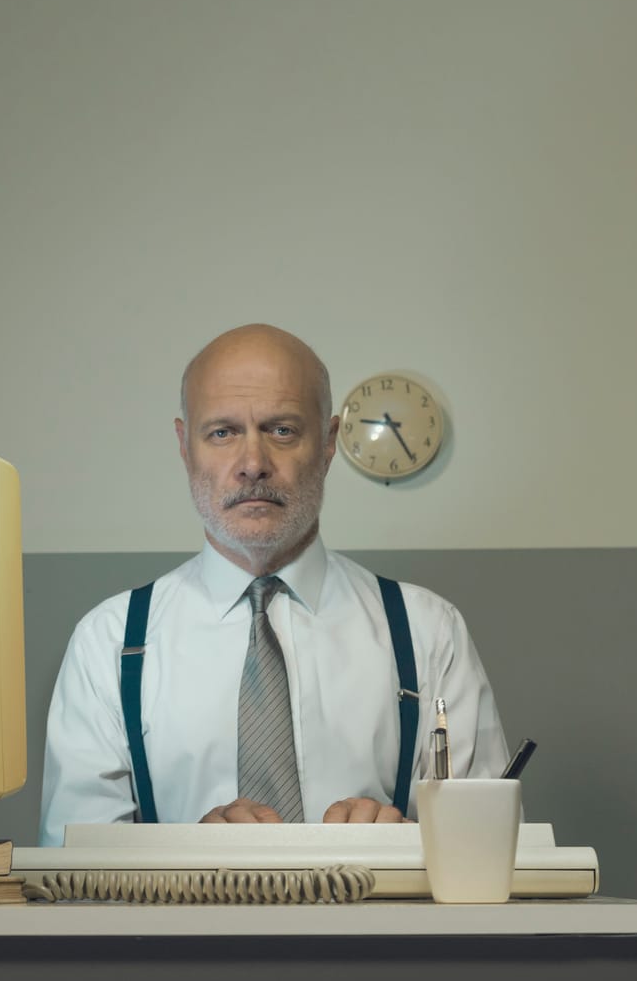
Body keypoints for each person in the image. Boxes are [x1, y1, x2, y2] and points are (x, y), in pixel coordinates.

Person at [39, 324, 509, 846]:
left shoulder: (429, 633)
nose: (253, 464)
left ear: (328, 444)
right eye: (222, 433)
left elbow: (483, 856)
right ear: (184, 446)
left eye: (282, 430)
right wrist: (180, 862)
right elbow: (73, 872)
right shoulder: (107, 643)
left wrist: (404, 847)